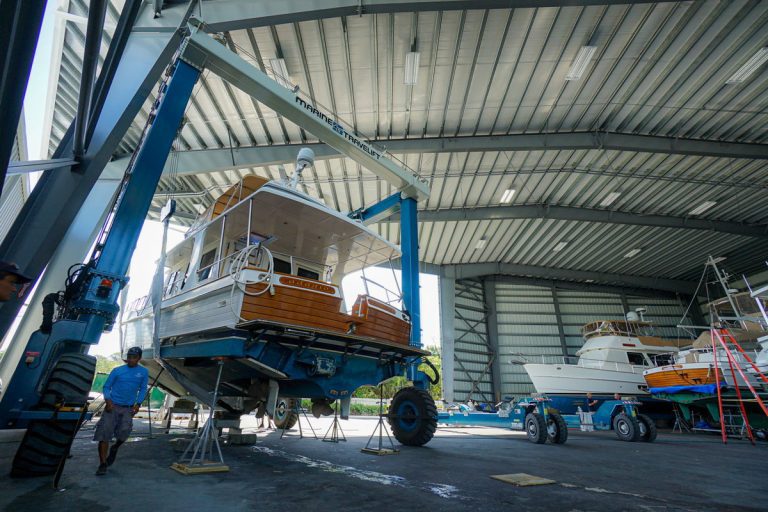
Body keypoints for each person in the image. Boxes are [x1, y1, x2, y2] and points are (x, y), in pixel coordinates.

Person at [94, 346, 148, 475]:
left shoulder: (143, 372)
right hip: (112, 406)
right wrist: (108, 401)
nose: (131, 360)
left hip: (128, 408)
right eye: (129, 357)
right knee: (104, 434)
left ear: (139, 358)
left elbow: (143, 389)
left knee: (125, 432)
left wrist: (138, 404)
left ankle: (115, 447)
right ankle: (102, 464)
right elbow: (106, 387)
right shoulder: (117, 371)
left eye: (134, 357)